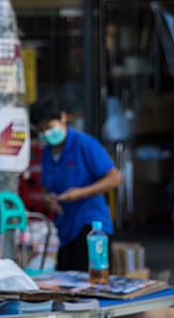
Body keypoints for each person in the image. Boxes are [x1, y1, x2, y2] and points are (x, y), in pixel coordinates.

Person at [29, 94, 121, 272]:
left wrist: (80, 193)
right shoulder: (47, 152)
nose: (47, 134)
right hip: (64, 229)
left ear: (63, 117)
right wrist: (47, 199)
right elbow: (45, 187)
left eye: (49, 127)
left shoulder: (84, 144)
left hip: (91, 226)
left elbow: (114, 178)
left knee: (91, 280)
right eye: (41, 130)